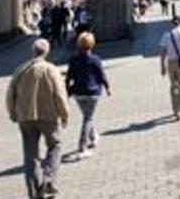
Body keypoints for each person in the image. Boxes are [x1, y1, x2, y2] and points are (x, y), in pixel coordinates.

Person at [7, 38, 69, 199]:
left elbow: (10, 95)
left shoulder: (20, 70)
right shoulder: (51, 69)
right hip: (48, 115)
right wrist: (64, 114)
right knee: (55, 145)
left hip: (25, 117)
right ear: (47, 52)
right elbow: (60, 95)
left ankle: (34, 192)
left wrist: (13, 113)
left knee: (30, 155)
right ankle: (48, 179)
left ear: (33, 51)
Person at [64, 32, 111, 160]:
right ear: (92, 44)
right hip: (92, 93)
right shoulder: (95, 59)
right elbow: (101, 75)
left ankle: (93, 137)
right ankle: (82, 147)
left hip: (78, 93)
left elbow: (69, 77)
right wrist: (108, 88)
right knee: (88, 118)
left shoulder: (73, 59)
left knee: (87, 115)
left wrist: (66, 91)